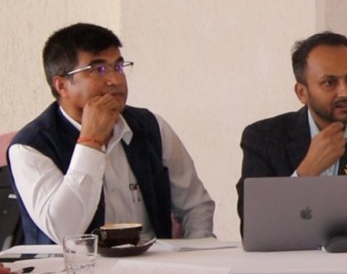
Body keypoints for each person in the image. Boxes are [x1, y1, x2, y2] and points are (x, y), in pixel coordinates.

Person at [6, 23, 215, 245]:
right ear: (62, 85)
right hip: (72, 265)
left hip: (154, 262)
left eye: (118, 67)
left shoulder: (152, 127)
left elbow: (195, 206)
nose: (116, 80)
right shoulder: (30, 147)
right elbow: (63, 231)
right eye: (99, 70)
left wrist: (197, 254)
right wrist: (91, 142)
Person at [237, 32, 347, 239]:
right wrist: (306, 172)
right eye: (330, 82)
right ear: (302, 92)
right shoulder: (263, 138)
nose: (346, 92)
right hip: (283, 259)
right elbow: (254, 228)